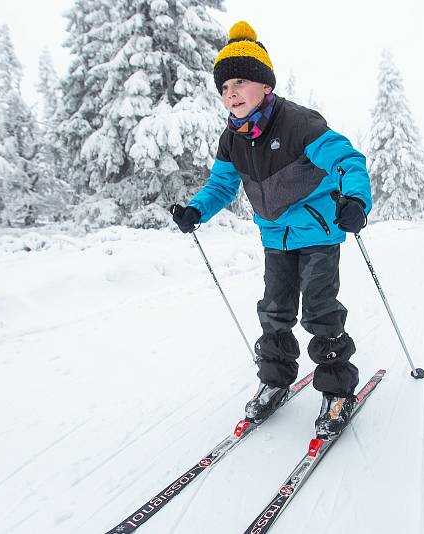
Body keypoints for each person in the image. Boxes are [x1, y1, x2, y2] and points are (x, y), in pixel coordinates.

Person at [170, 21, 372, 439]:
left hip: (318, 233)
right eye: (224, 87)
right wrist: (196, 210)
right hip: (274, 237)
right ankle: (276, 380)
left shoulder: (298, 123)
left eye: (240, 81)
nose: (231, 93)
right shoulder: (233, 139)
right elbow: (222, 185)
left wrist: (355, 200)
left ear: (264, 84)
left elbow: (347, 159)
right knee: (274, 313)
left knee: (320, 312)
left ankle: (336, 389)